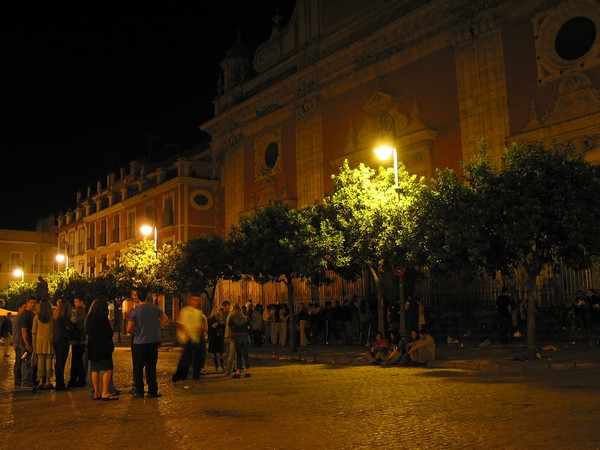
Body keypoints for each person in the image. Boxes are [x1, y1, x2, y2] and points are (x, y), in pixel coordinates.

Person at [127, 286, 170, 398]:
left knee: (138, 368)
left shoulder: (135, 311)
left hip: (139, 342)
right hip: (153, 342)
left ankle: (139, 391)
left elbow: (129, 328)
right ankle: (152, 390)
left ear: (138, 297)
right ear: (147, 296)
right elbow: (166, 319)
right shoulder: (155, 308)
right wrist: (157, 327)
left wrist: (135, 333)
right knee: (151, 367)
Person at [86, 297, 118, 401]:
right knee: (108, 368)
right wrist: (110, 325)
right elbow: (109, 332)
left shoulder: (89, 316)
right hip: (103, 346)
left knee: (95, 369)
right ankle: (105, 392)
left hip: (92, 346)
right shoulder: (102, 316)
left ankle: (96, 392)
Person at [172, 294, 207, 383]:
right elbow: (180, 324)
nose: (196, 303)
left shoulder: (199, 312)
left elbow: (200, 325)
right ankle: (181, 376)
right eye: (195, 300)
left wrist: (200, 332)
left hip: (196, 338)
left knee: (197, 358)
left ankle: (196, 375)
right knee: (186, 358)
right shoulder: (185, 311)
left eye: (198, 301)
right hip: (187, 338)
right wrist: (185, 334)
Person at [32, 299, 54, 390]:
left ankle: (41, 380)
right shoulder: (52, 316)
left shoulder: (37, 316)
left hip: (39, 341)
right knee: (49, 360)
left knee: (40, 361)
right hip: (50, 340)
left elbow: (33, 331)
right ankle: (48, 380)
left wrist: (34, 343)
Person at [52, 298, 73, 391]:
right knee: (61, 363)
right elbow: (71, 329)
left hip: (55, 340)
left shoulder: (55, 317)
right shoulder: (64, 318)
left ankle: (59, 383)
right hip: (63, 341)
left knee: (58, 364)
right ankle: (60, 385)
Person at [226, 304, 252, 378]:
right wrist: (247, 331)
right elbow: (252, 325)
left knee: (239, 355)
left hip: (237, 337)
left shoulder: (232, 319)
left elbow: (230, 327)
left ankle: (238, 372)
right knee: (246, 354)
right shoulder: (245, 318)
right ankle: (247, 371)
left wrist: (234, 332)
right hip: (246, 337)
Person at [68, 296, 87, 388]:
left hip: (78, 340)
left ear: (81, 301)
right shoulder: (84, 311)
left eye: (76, 301)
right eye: (74, 301)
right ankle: (77, 379)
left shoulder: (79, 311)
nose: (75, 303)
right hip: (81, 340)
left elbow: (78, 325)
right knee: (77, 360)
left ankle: (79, 379)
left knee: (77, 361)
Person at [18, 297, 37, 388]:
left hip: (30, 343)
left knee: (30, 363)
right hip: (26, 344)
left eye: (34, 303)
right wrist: (27, 344)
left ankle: (28, 381)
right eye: (31, 302)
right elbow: (23, 330)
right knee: (26, 362)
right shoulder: (25, 314)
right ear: (28, 303)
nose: (33, 304)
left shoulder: (31, 314)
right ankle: (25, 382)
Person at [12, 301, 27, 387]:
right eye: (24, 308)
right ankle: (17, 380)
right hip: (19, 345)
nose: (25, 309)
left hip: (20, 344)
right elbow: (16, 332)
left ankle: (19, 379)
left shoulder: (20, 318)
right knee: (19, 362)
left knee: (22, 361)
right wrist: (17, 344)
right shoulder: (18, 318)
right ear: (20, 308)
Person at [207, 306, 225, 372]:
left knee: (221, 352)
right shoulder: (210, 319)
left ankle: (222, 366)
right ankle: (216, 367)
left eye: (217, 310)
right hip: (213, 337)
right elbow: (208, 328)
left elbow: (223, 326)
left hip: (220, 336)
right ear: (213, 311)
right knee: (214, 353)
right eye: (214, 310)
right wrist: (212, 326)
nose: (216, 312)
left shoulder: (220, 318)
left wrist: (220, 323)